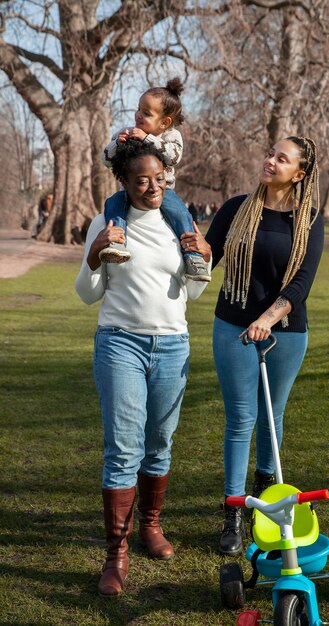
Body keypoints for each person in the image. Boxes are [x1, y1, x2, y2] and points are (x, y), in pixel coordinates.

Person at [75, 140, 211, 597]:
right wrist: (96, 251)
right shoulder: (109, 222)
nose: (152, 187)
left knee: (159, 442)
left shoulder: (179, 223)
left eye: (158, 179)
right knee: (122, 449)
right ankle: (116, 554)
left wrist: (204, 259)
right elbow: (87, 293)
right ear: (125, 183)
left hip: (172, 345)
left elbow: (192, 296)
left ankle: (150, 527)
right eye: (141, 180)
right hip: (120, 344)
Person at [205, 136, 325, 556]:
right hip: (233, 326)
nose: (270, 161)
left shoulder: (308, 219)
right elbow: (208, 256)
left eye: (282, 158)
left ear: (300, 173)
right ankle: (234, 512)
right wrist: (190, 246)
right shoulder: (237, 209)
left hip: (287, 331)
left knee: (272, 417)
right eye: (270, 153)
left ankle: (266, 500)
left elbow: (302, 281)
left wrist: (268, 318)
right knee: (241, 418)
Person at [100, 77, 211, 282]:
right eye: (138, 109)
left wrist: (147, 138)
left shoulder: (172, 136)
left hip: (164, 191)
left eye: (146, 113)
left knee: (180, 212)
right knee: (113, 204)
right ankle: (116, 243)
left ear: (164, 122)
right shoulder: (127, 132)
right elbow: (105, 160)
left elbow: (173, 157)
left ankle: (193, 257)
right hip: (131, 191)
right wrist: (117, 143)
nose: (138, 116)